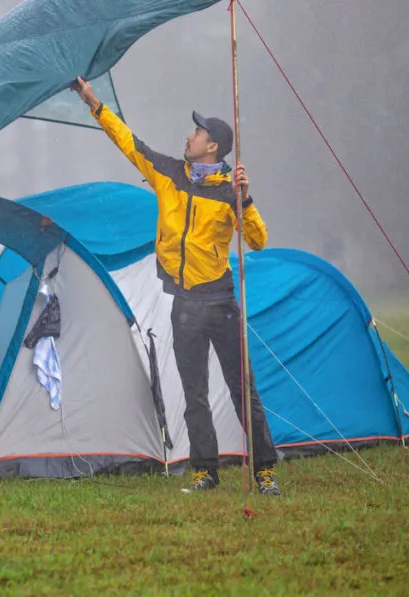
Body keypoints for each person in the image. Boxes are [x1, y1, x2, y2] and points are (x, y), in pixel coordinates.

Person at [70, 76, 280, 495]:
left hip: (220, 303)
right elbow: (129, 143)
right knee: (194, 393)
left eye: (198, 132)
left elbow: (257, 241)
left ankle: (264, 471)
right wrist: (94, 104)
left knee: (244, 392)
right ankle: (206, 471)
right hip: (183, 304)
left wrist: (247, 200)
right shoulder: (169, 173)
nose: (190, 136)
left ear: (213, 147)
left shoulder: (229, 192)